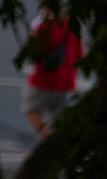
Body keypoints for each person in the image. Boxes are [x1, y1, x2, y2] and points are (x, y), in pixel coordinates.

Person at [23, 10, 83, 138]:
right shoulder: (72, 27)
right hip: (65, 80)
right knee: (56, 115)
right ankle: (55, 141)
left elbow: (34, 52)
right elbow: (79, 54)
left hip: (42, 78)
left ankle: (46, 139)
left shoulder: (43, 26)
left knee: (31, 110)